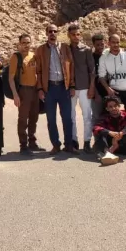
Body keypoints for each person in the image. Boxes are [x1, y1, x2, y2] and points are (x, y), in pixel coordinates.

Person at [36, 24, 77, 155]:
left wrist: (71, 86)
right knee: (51, 119)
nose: (52, 33)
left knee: (67, 118)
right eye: (50, 31)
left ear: (58, 33)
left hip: (63, 87)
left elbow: (71, 67)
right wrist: (40, 89)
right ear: (46, 33)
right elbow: (39, 71)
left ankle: (69, 145)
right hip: (49, 88)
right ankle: (56, 145)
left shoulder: (64, 48)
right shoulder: (41, 50)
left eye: (55, 31)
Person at [9, 34, 45, 156]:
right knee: (23, 118)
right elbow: (11, 78)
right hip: (23, 91)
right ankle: (23, 145)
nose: (26, 45)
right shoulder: (16, 57)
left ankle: (32, 142)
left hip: (34, 90)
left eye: (28, 42)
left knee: (34, 117)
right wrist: (15, 95)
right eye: (23, 43)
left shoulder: (33, 56)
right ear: (19, 43)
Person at [68, 24, 96, 154]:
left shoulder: (86, 50)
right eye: (73, 34)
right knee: (71, 116)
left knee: (87, 116)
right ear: (69, 35)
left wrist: (91, 87)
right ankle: (73, 141)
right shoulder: (65, 50)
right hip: (71, 88)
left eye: (78, 34)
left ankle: (87, 142)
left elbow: (92, 70)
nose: (76, 37)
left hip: (85, 87)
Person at [98, 34, 126, 115]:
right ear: (108, 43)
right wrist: (108, 89)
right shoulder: (104, 58)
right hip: (115, 92)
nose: (116, 45)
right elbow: (101, 76)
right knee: (116, 116)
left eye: (118, 42)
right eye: (113, 42)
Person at [93, 96, 126, 160]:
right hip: (110, 145)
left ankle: (109, 152)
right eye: (110, 107)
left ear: (119, 106)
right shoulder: (104, 117)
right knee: (100, 133)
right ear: (107, 109)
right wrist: (109, 132)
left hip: (125, 146)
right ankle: (106, 153)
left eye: (115, 105)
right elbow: (95, 128)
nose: (114, 108)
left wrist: (121, 133)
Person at [90, 33, 108, 123]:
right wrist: (96, 94)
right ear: (93, 45)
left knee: (109, 116)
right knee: (97, 117)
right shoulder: (91, 58)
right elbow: (91, 78)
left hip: (108, 92)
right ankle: (97, 137)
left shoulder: (107, 56)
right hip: (97, 93)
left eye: (102, 44)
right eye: (98, 45)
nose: (101, 46)